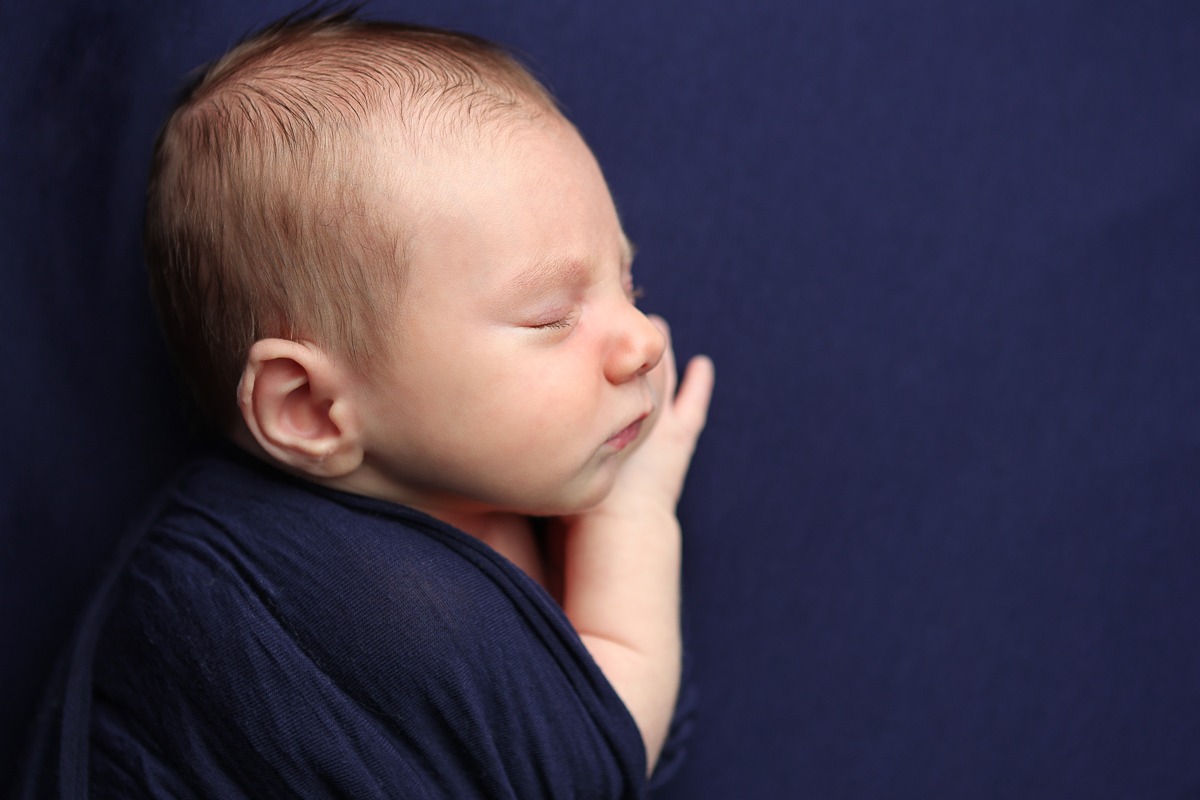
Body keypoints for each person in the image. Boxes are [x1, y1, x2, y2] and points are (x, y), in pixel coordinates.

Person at [14, 7, 713, 799]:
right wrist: (638, 509)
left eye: (627, 282)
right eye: (553, 316)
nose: (643, 339)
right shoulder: (367, 614)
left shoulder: (476, 490)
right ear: (310, 409)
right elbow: (596, 751)